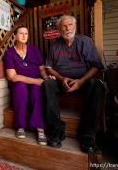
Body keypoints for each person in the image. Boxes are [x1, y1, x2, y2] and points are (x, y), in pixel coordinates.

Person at [42, 15, 105, 153]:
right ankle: (56, 130)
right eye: (64, 26)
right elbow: (49, 67)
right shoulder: (55, 45)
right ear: (59, 29)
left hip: (83, 81)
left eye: (70, 24)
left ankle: (88, 135)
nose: (67, 28)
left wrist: (81, 81)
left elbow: (95, 66)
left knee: (97, 85)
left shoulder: (85, 42)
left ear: (75, 26)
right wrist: (60, 77)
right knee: (47, 84)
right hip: (62, 82)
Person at [3, 25, 49, 145]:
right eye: (21, 33)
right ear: (15, 36)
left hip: (35, 81)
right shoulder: (9, 53)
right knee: (20, 88)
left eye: (26, 34)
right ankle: (20, 126)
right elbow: (12, 76)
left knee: (36, 90)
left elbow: (42, 70)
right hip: (20, 82)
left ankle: (40, 128)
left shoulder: (34, 50)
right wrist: (35, 81)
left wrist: (46, 78)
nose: (24, 36)